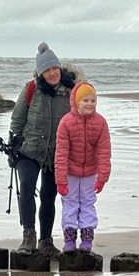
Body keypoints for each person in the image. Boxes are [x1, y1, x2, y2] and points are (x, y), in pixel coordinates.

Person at [8, 42, 80, 258]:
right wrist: (14, 146)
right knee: (27, 188)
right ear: (40, 73)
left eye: (54, 68)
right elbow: (17, 119)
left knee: (49, 196)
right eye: (46, 70)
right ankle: (28, 236)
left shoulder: (71, 91)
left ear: (59, 68)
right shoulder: (31, 89)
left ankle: (46, 242)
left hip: (57, 154)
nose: (51, 73)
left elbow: (79, 121)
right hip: (29, 150)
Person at [54, 82, 111, 253]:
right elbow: (61, 153)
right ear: (77, 102)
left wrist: (102, 177)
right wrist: (61, 180)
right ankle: (69, 238)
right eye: (85, 100)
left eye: (93, 101)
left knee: (88, 203)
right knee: (70, 203)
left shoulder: (100, 123)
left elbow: (104, 152)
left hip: (90, 172)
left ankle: (87, 237)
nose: (89, 104)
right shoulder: (66, 122)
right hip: (70, 171)